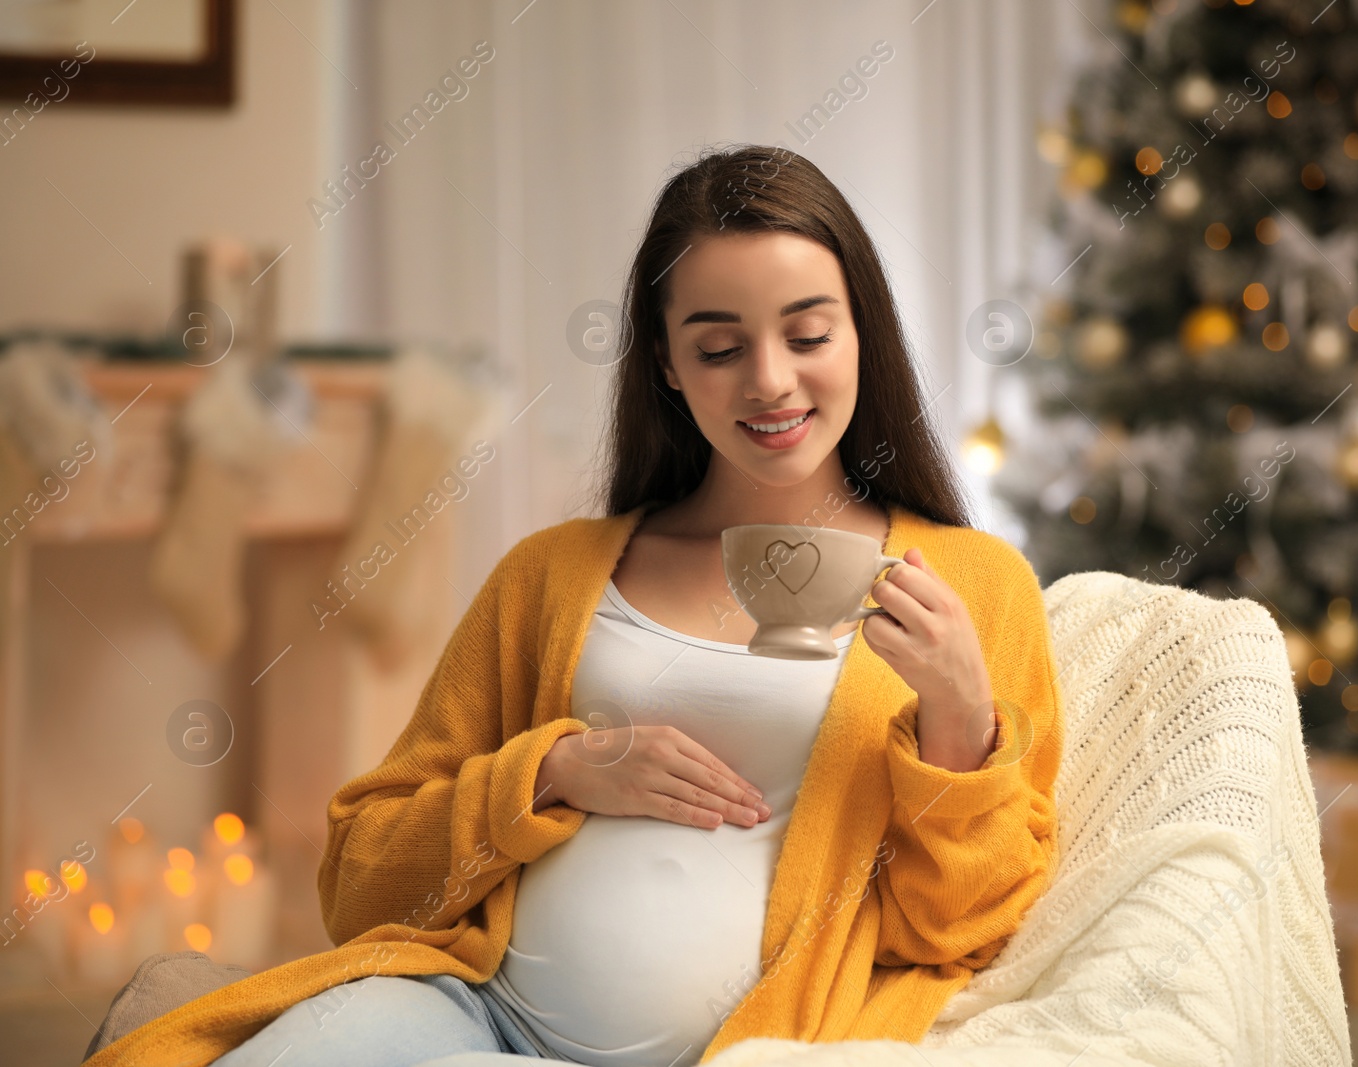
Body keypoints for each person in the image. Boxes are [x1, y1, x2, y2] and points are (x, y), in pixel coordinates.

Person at [90, 144, 1063, 1067]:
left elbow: (965, 929)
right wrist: (551, 770)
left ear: (864, 333)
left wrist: (958, 715)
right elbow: (360, 877)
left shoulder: (971, 584)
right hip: (462, 1003)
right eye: (719, 346)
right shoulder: (553, 573)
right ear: (667, 365)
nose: (770, 380)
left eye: (808, 334)